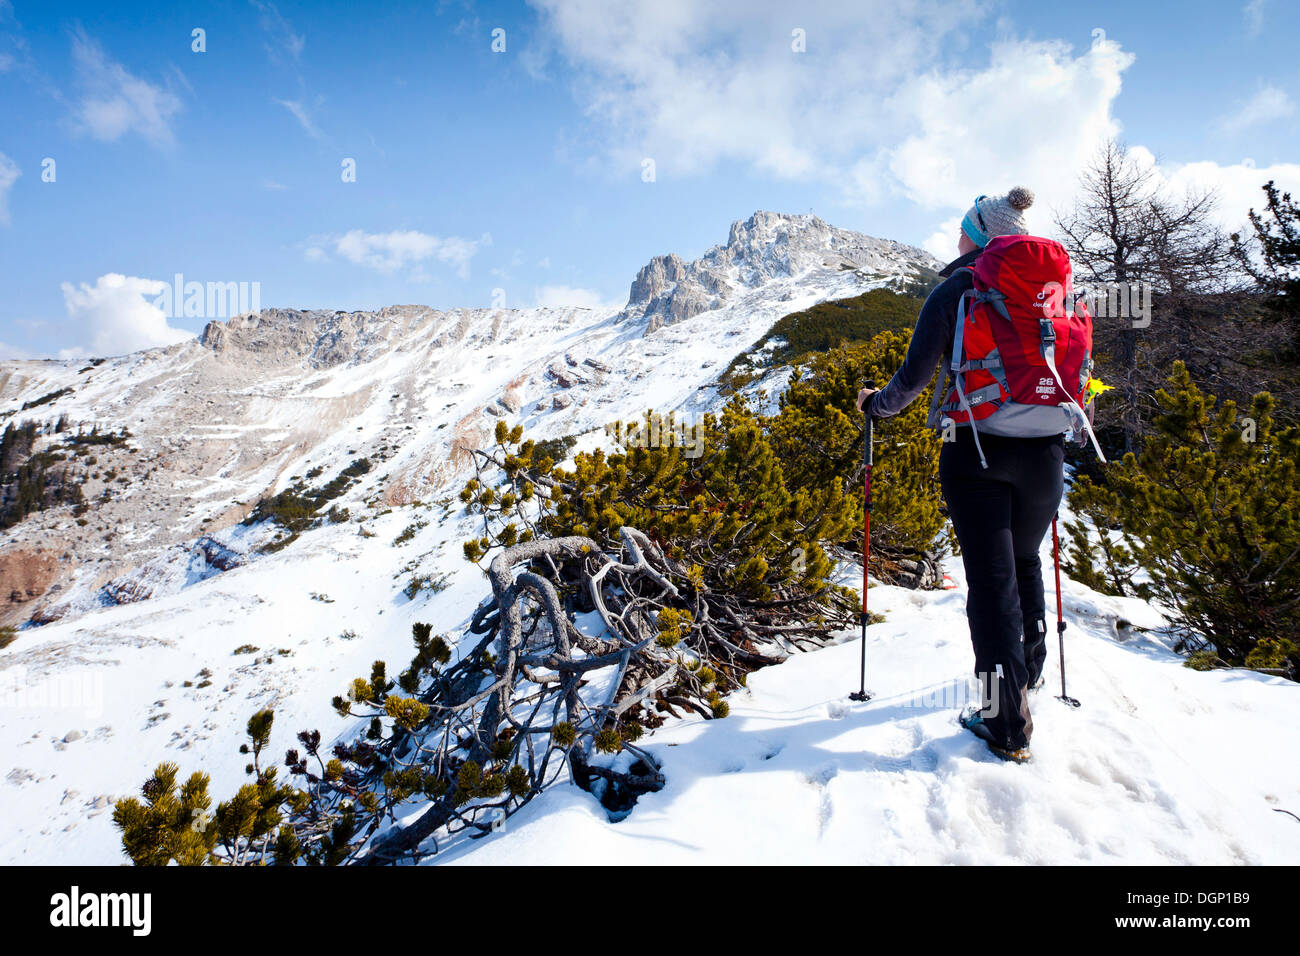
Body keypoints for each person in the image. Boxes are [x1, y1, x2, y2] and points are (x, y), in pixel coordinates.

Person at [856, 187, 1060, 764]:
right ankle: (1028, 679)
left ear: (980, 234)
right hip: (1045, 454)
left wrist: (877, 406)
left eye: (964, 228)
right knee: (1024, 562)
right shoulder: (1055, 292)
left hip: (976, 452)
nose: (957, 237)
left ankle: (1004, 723)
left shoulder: (959, 288)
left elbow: (914, 377)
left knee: (991, 582)